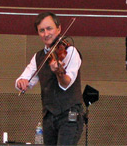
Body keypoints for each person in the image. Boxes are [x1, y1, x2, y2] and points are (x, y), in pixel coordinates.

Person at [15, 12, 84, 145]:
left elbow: (66, 84)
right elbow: (25, 78)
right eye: (42, 30)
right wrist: (21, 82)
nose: (46, 34)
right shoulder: (39, 57)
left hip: (69, 115)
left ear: (59, 28)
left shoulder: (70, 52)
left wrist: (59, 72)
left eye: (49, 29)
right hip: (49, 116)